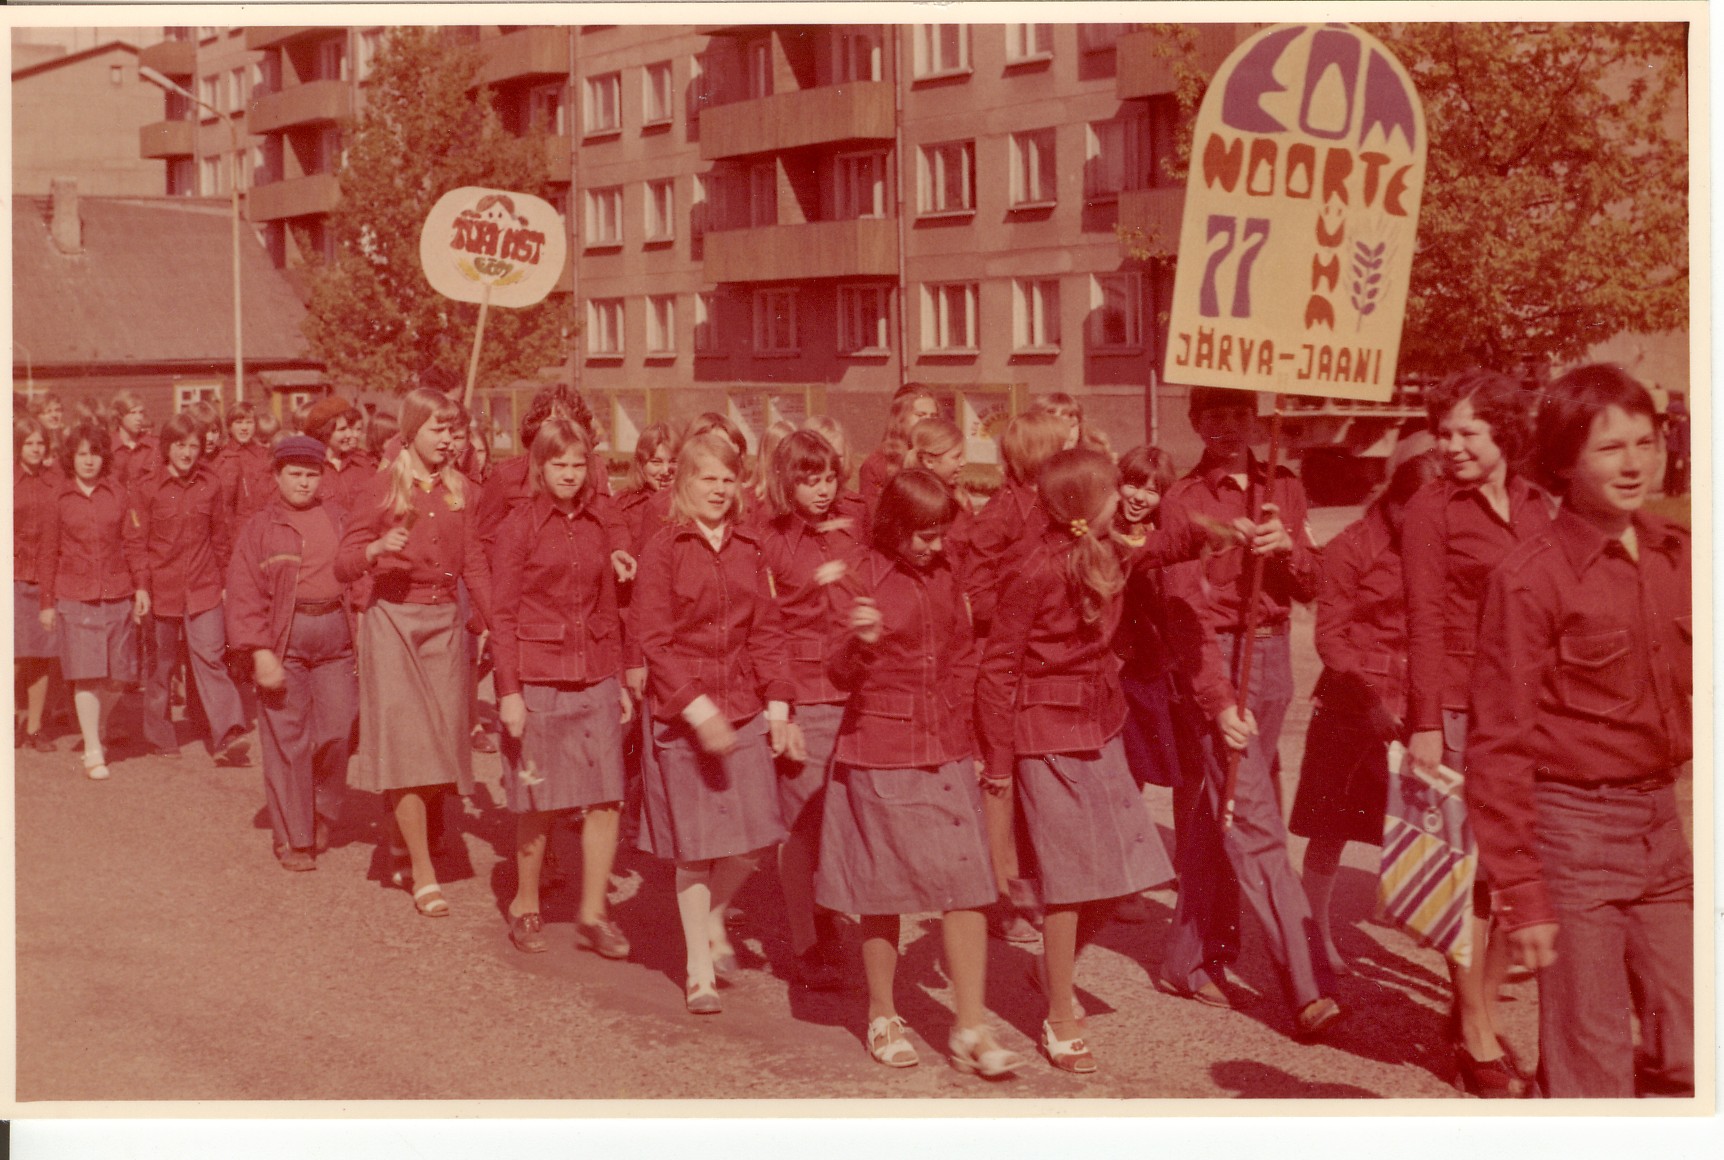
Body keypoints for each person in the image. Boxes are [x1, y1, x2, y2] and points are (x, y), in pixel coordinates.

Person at [1466, 364, 1692, 1098]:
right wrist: (1524, 893)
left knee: (1696, 1046)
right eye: (1610, 448)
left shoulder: (1678, 555)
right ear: (1564, 460)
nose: (1636, 463)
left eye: (1646, 442)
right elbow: (1498, 745)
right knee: (1592, 1062)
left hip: (1666, 831)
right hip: (1576, 836)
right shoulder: (1528, 577)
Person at [976, 449, 1182, 1074]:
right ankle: (1058, 1013)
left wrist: (1234, 534)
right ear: (1084, 505)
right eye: (1115, 490)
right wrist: (999, 763)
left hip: (1101, 726)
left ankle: (1048, 968)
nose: (1126, 498)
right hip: (1045, 735)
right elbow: (999, 668)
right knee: (1067, 884)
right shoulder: (1033, 571)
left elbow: (1168, 545)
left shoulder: (1106, 550)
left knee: (1123, 873)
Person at [815, 468, 1024, 1077]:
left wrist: (972, 732)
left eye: (940, 533)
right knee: (885, 892)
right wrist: (859, 642)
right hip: (880, 746)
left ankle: (970, 1028)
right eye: (923, 535)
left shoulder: (945, 571)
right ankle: (882, 1014)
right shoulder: (860, 576)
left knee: (966, 888)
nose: (934, 546)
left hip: (946, 747)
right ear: (894, 526)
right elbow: (835, 674)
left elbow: (961, 652)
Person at [1156, 387, 1343, 1041]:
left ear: (1256, 420)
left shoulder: (1284, 485)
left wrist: (1285, 549)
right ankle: (1306, 982)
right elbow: (1183, 614)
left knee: (1220, 810)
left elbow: (1313, 584)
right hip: (1220, 662)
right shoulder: (1183, 499)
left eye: (1239, 414)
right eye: (1214, 415)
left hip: (1273, 663)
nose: (1229, 427)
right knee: (1255, 824)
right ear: (1195, 423)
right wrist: (1217, 699)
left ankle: (1183, 959)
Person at [1401, 369, 1551, 1096]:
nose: (1451, 444)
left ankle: (1475, 1013)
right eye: (1445, 431)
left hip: (1532, 709)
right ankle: (1478, 1033)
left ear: (1503, 436)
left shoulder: (1537, 503)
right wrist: (1426, 721)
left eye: (1468, 432)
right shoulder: (1431, 508)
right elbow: (1422, 617)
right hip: (1460, 708)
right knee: (1468, 877)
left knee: (1516, 869)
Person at [630, 431, 793, 1014]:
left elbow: (768, 631)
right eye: (708, 479)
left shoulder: (752, 546)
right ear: (683, 484)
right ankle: (698, 966)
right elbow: (654, 639)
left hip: (745, 706)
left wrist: (778, 706)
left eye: (729, 478)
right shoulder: (663, 548)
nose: (720, 490)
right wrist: (698, 710)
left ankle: (713, 918)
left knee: (753, 841)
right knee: (696, 850)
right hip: (684, 713)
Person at [336, 387, 494, 918]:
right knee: (408, 750)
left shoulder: (462, 491)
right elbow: (343, 563)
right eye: (438, 430)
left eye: (454, 431)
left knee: (437, 751)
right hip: (394, 622)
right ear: (410, 432)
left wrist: (495, 624)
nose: (449, 441)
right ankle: (423, 872)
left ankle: (403, 842)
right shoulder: (381, 488)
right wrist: (376, 550)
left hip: (444, 623)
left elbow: (473, 560)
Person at [1291, 432, 1441, 973]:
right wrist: (1373, 703)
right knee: (1330, 829)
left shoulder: (1435, 545)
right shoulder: (1351, 546)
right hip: (1353, 707)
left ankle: (1433, 926)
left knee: (1424, 824)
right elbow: (1331, 637)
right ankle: (1314, 932)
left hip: (1417, 706)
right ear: (1395, 502)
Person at [490, 419, 633, 959]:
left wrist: (616, 676)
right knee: (539, 796)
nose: (570, 475)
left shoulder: (599, 523)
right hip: (538, 679)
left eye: (579, 465)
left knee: (605, 798)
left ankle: (593, 913)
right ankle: (526, 903)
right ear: (540, 468)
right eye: (559, 465)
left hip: (594, 673)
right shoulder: (518, 526)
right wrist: (508, 690)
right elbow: (502, 614)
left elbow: (608, 607)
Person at [225, 436, 358, 871]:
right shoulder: (261, 528)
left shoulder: (338, 518)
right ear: (277, 476)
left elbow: (359, 574)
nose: (304, 483)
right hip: (287, 641)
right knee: (288, 739)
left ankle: (320, 808)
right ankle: (295, 838)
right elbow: (244, 594)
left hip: (336, 638)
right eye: (295, 475)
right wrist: (261, 651)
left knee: (339, 730)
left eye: (311, 474)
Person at [758, 429, 860, 992]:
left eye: (828, 478)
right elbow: (765, 629)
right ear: (785, 481)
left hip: (852, 690)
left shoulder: (850, 530)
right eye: (808, 480)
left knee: (842, 817)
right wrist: (783, 712)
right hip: (803, 693)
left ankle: (830, 912)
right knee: (802, 825)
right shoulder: (769, 540)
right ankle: (805, 941)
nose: (822, 491)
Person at [124, 413, 250, 765]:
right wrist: (141, 588)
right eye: (180, 445)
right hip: (161, 590)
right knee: (161, 666)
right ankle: (160, 734)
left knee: (210, 657)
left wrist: (226, 583)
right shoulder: (148, 487)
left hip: (204, 586)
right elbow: (136, 543)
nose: (187, 452)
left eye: (193, 446)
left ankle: (229, 733)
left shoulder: (210, 484)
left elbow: (221, 538)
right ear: (167, 447)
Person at [37, 419, 147, 781]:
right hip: (75, 595)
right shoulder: (58, 496)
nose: (89, 461)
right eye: (82, 454)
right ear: (71, 458)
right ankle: (92, 748)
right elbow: (48, 551)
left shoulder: (117, 493)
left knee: (117, 677)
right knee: (87, 675)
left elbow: (132, 542)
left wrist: (141, 586)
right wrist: (47, 602)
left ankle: (97, 728)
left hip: (117, 592)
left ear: (104, 457)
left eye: (95, 454)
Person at [14, 415, 63, 751]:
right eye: (29, 443)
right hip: (12, 576)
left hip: (45, 577)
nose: (35, 448)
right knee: (14, 656)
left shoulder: (53, 483)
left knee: (41, 655)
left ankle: (34, 727)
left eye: (40, 443)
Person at [858, 383, 938, 515]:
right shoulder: (876, 465)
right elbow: (872, 519)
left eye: (933, 416)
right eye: (920, 415)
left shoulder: (940, 458)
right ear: (900, 419)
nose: (928, 421)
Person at [302, 395, 376, 516]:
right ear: (325, 433)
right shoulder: (310, 468)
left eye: (349, 428)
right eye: (342, 430)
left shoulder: (363, 464)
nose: (349, 434)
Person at [214, 402, 274, 528]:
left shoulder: (264, 455)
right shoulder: (223, 456)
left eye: (249, 422)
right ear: (229, 427)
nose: (244, 428)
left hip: (264, 524)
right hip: (236, 527)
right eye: (238, 422)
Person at [108, 389, 158, 492]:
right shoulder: (107, 445)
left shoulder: (154, 446)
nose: (139, 418)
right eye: (133, 412)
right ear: (119, 415)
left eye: (141, 412)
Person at [1660, 391, 1689, 496]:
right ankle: (1669, 492)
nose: (1668, 416)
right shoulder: (1674, 425)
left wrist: (1681, 458)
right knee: (1670, 474)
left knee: (1677, 475)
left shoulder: (1683, 425)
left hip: (1678, 454)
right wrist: (1666, 433)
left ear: (1677, 413)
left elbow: (1685, 443)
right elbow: (1672, 440)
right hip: (1671, 452)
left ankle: (1677, 493)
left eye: (1670, 413)